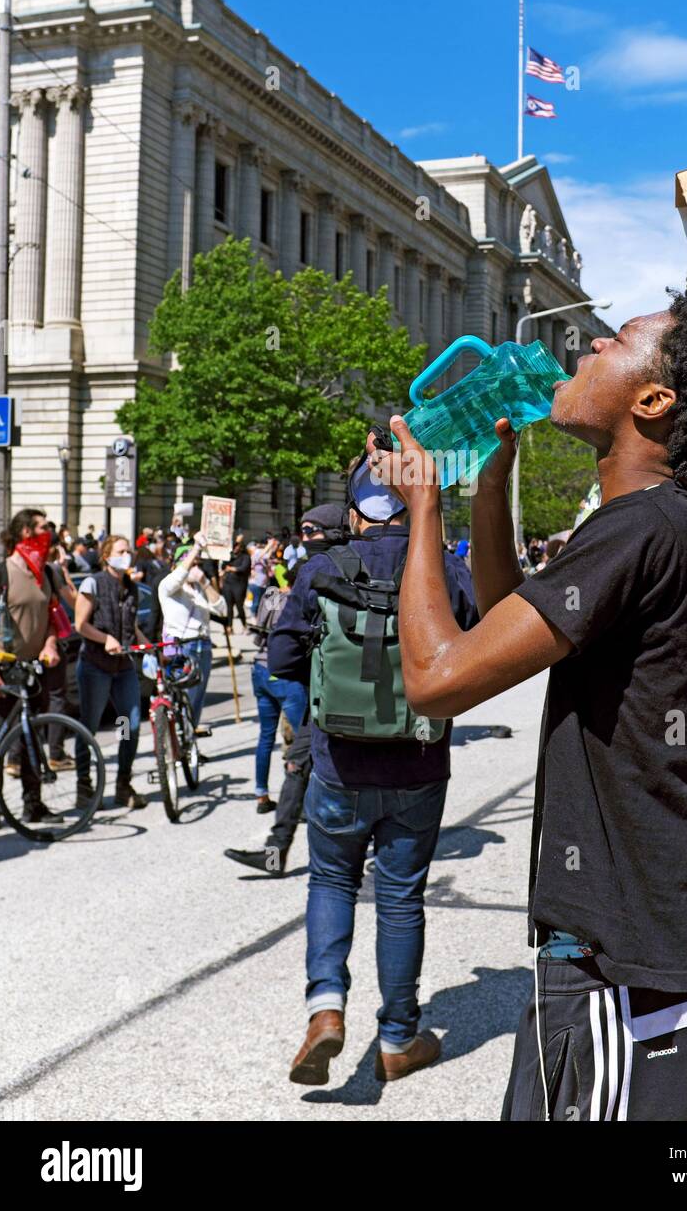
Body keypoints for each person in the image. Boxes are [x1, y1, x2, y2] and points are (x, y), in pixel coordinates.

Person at [378, 275, 687, 1121]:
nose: (584, 348)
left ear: (652, 400)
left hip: (623, 963)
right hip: (620, 948)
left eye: (611, 341)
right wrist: (488, 477)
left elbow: (436, 680)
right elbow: (516, 619)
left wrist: (421, 507)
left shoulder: (642, 529)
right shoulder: (663, 519)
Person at [265, 465, 476, 1087]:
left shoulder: (321, 569)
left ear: (354, 513)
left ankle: (325, 1007)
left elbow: (281, 658)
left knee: (331, 881)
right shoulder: (437, 564)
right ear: (409, 509)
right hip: (418, 759)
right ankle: (398, 1036)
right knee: (401, 899)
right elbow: (475, 631)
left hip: (337, 762)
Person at [224, 502, 347, 871]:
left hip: (343, 695)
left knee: (313, 769)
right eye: (303, 532)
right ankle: (278, 854)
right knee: (299, 765)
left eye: (313, 532)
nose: (305, 539)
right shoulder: (322, 567)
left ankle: (331, 855)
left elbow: (284, 648)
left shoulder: (326, 569)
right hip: (325, 694)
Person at [0, 508, 67, 824]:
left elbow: (52, 618)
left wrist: (50, 643)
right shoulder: (1, 573)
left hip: (35, 671)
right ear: (26, 532)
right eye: (43, 527)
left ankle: (33, 804)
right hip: (4, 671)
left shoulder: (46, 574)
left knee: (33, 738)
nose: (48, 532)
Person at [74, 534, 144, 810]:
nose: (126, 556)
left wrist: (149, 647)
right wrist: (105, 639)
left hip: (123, 666)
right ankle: (84, 786)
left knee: (129, 724)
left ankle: (123, 784)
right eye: (120, 551)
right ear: (106, 556)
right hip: (96, 666)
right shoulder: (94, 583)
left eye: (128, 551)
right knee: (88, 726)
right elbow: (80, 624)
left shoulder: (131, 587)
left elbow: (132, 626)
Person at [247, 562, 307, 812]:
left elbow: (258, 634)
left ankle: (261, 794)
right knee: (303, 738)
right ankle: (299, 801)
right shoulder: (300, 602)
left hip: (260, 669)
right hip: (285, 673)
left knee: (265, 736)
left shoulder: (271, 595)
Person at [158, 533, 227, 729]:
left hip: (202, 645)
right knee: (183, 697)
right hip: (182, 646)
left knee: (198, 697)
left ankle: (190, 742)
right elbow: (178, 576)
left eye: (197, 563)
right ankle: (178, 742)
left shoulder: (199, 589)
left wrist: (205, 582)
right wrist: (195, 547)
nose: (194, 567)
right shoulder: (168, 587)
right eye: (191, 563)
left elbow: (222, 609)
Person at [221, 534, 251, 633]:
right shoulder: (229, 557)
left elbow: (244, 568)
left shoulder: (245, 557)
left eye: (237, 546)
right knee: (229, 607)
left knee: (239, 606)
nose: (235, 548)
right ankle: (229, 627)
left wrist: (232, 569)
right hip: (228, 584)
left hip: (239, 584)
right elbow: (223, 567)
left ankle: (244, 625)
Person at [248, 536, 277, 619]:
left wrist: (272, 547)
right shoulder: (256, 554)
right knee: (256, 602)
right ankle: (253, 616)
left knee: (262, 602)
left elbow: (267, 556)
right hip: (256, 583)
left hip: (263, 583)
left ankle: (259, 617)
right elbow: (261, 555)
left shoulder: (263, 557)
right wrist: (270, 544)